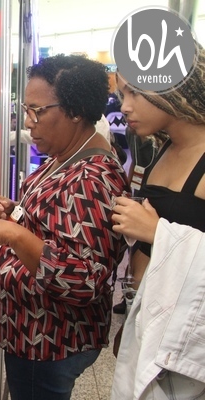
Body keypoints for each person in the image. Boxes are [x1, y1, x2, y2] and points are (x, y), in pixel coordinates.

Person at [0, 54, 129, 400]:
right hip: (30, 334)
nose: (28, 122)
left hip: (49, 341)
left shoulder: (93, 179)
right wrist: (13, 214)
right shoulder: (63, 158)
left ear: (75, 111)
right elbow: (53, 228)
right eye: (27, 109)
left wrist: (12, 234)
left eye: (37, 111)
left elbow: (84, 281)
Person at [111, 44, 205, 399]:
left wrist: (157, 232)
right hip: (150, 320)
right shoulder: (164, 146)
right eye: (122, 94)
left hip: (188, 347)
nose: (124, 106)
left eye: (134, 92)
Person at [112, 127, 167, 314]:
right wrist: (128, 189)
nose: (126, 112)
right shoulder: (132, 131)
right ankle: (128, 295)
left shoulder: (162, 137)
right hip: (140, 189)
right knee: (134, 245)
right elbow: (136, 163)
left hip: (155, 198)